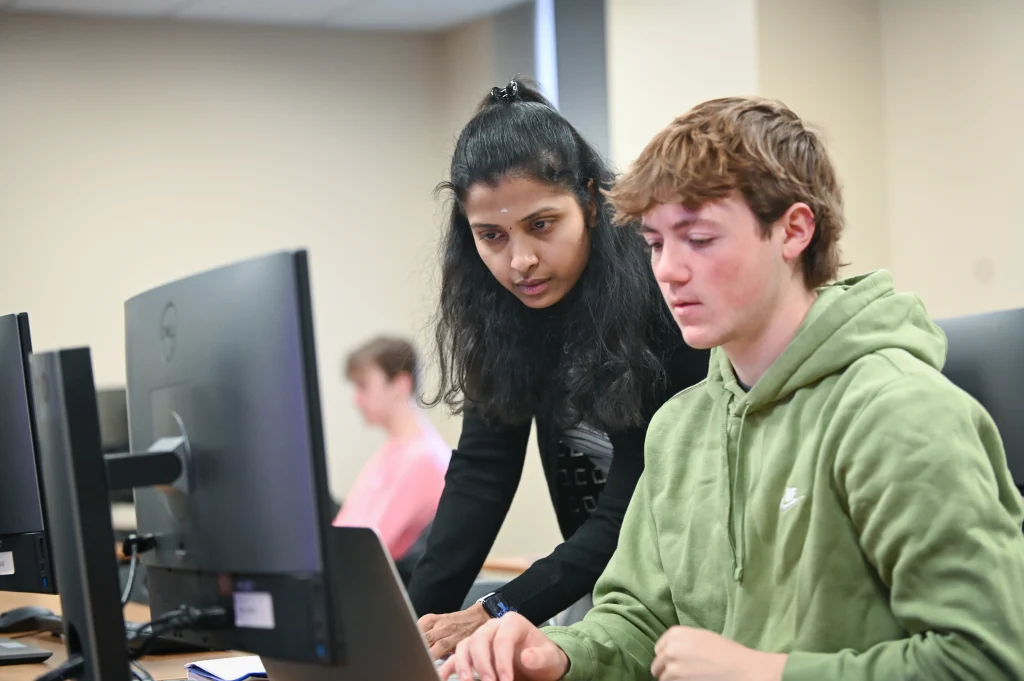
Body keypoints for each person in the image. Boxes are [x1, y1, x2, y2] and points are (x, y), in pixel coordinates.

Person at [439, 95, 1024, 681]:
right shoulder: (680, 428)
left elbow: (987, 660)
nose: (667, 270)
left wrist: (766, 673)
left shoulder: (903, 415)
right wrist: (560, 654)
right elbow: (639, 620)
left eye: (699, 238)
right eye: (656, 243)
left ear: (794, 231)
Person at [408, 78, 710, 658]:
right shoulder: (505, 313)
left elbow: (635, 499)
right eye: (490, 237)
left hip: (686, 587)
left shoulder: (661, 299)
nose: (519, 260)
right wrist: (412, 633)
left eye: (542, 224)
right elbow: (480, 475)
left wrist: (497, 609)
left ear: (592, 202)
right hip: (602, 590)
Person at [332, 336, 450, 583]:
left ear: (400, 385)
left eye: (363, 386)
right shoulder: (393, 451)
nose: (356, 399)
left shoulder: (422, 459)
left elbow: (365, 548)